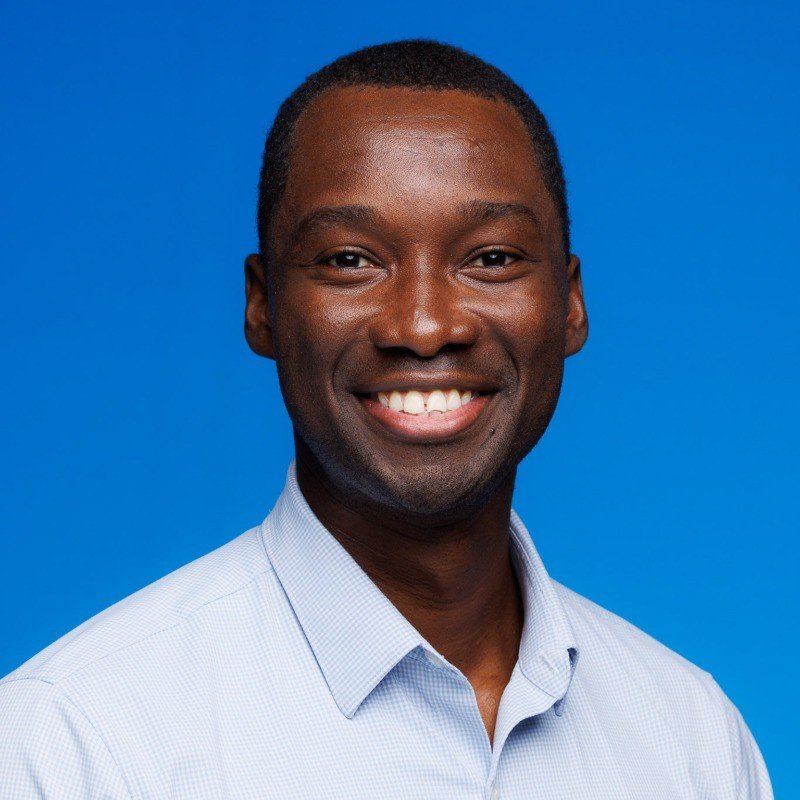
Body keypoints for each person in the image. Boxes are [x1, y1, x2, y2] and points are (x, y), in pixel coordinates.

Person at [0, 39, 772, 799]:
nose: (426, 325)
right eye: (350, 260)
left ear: (569, 303)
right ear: (263, 306)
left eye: (492, 258)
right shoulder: (76, 744)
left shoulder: (692, 738)